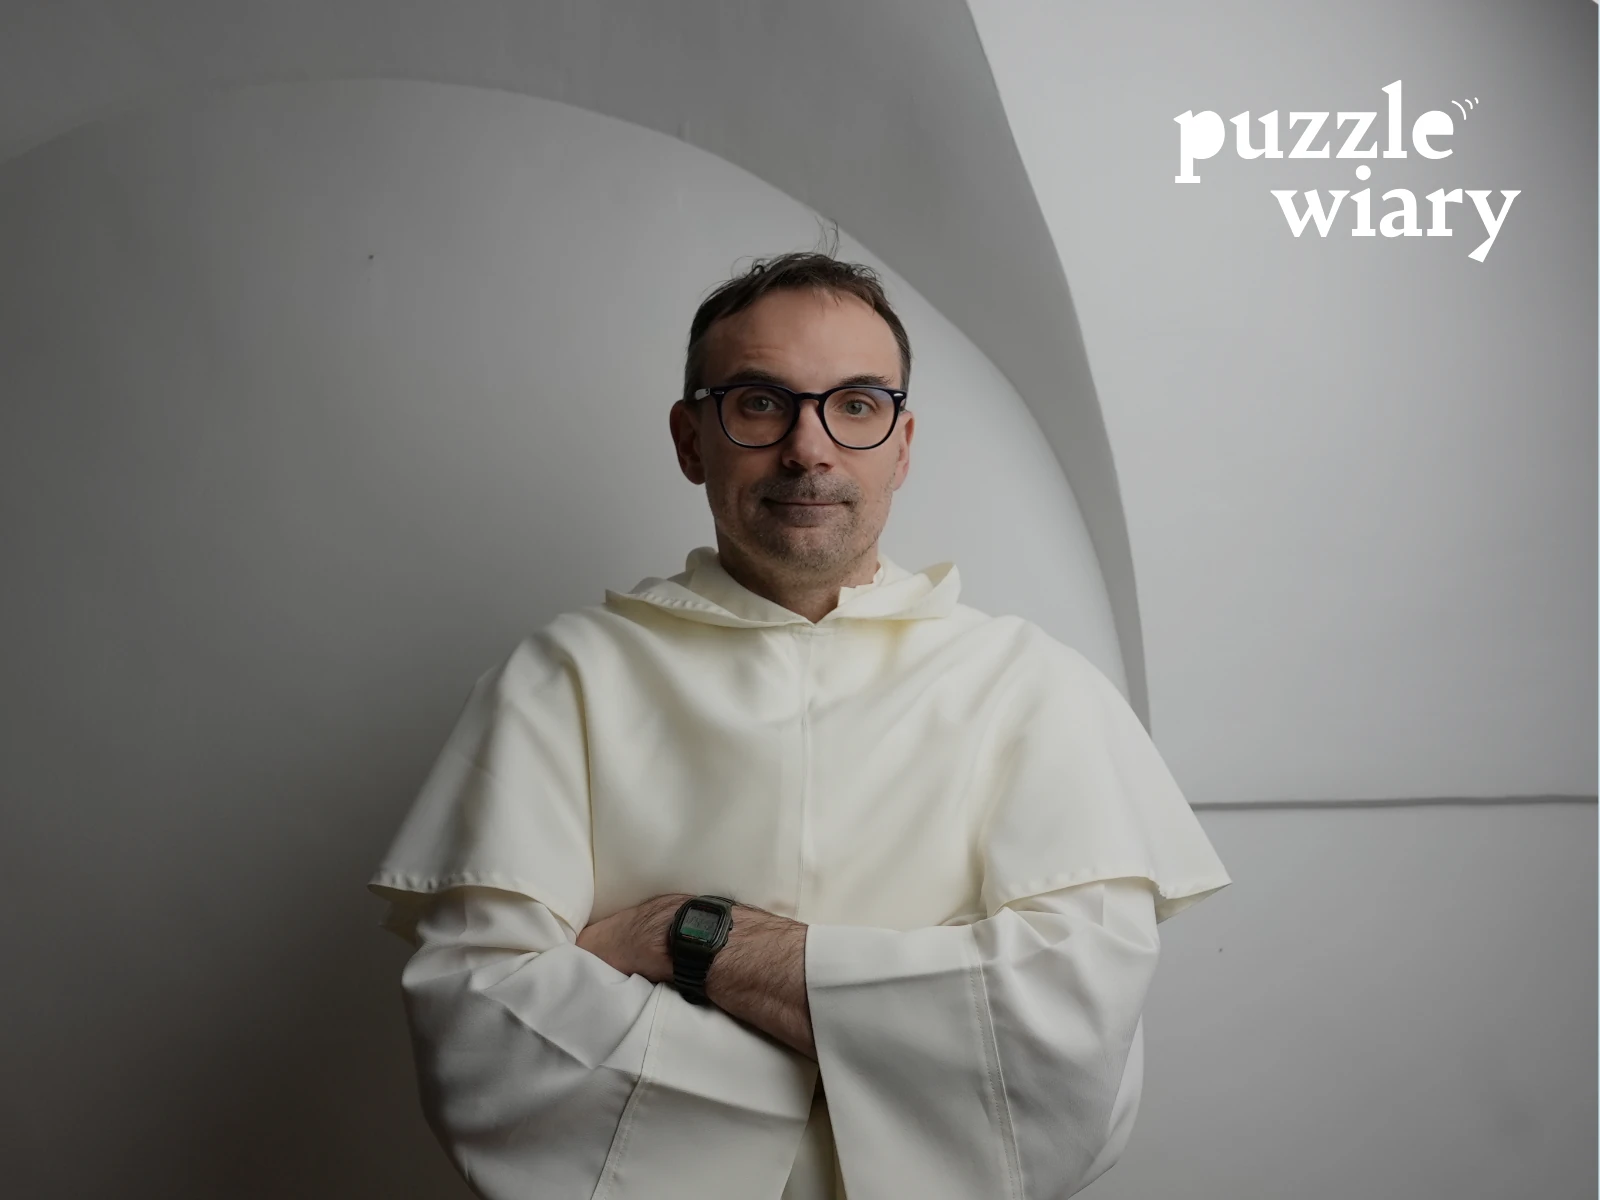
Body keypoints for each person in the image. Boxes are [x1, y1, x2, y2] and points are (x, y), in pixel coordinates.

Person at [367, 250, 1231, 1200]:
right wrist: (890, 1050)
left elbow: (1063, 1035)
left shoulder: (1034, 688)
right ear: (691, 439)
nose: (809, 449)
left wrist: (689, 940)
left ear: (903, 445)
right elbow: (487, 1035)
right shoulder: (558, 681)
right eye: (760, 402)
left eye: (856, 405)